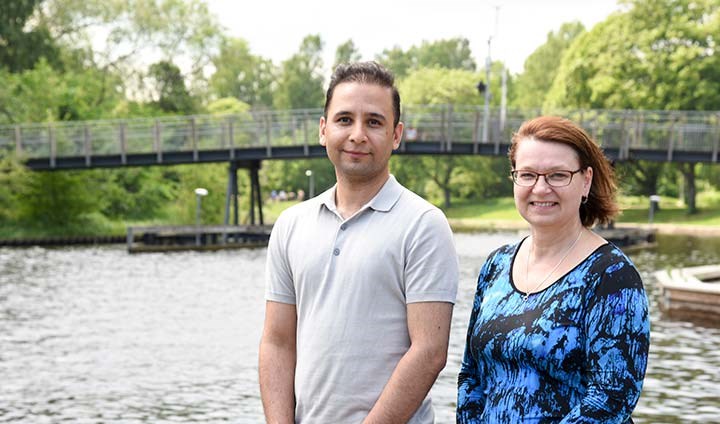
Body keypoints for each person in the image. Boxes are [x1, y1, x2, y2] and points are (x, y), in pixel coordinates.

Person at [259, 61, 459, 423]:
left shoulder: (423, 225)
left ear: (396, 135)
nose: (357, 134)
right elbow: (277, 342)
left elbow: (429, 352)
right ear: (323, 129)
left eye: (374, 122)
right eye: (344, 119)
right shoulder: (291, 225)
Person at [457, 116, 650, 423]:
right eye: (528, 174)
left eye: (558, 175)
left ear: (585, 180)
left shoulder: (612, 276)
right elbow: (471, 374)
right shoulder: (496, 265)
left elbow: (611, 399)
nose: (541, 188)